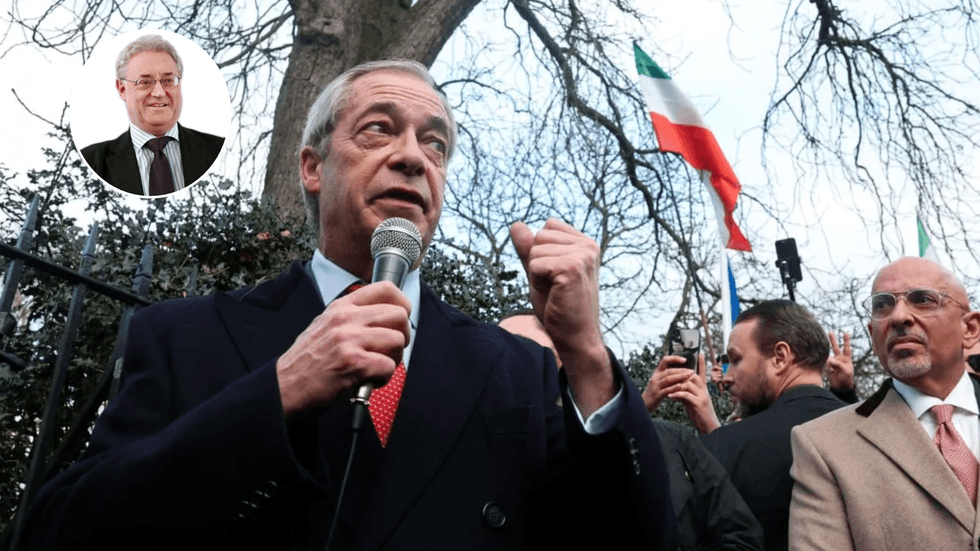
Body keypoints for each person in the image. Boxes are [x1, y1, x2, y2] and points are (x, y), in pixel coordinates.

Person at [25, 60, 675, 550]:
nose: (413, 157)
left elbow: (638, 537)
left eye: (436, 143)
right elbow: (61, 529)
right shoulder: (183, 337)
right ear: (312, 166)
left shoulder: (519, 372)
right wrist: (276, 395)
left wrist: (587, 355)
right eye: (379, 129)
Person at [501, 314, 764, 551]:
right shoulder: (487, 458)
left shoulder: (671, 439)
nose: (511, 366)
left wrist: (636, 412)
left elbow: (740, 536)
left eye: (526, 351)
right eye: (499, 355)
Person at [789, 257, 980, 550]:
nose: (898, 316)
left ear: (970, 329)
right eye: (883, 305)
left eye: (923, 300)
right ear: (872, 334)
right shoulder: (823, 445)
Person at [697, 300, 846, 551]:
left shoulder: (723, 447)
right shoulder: (874, 431)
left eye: (735, 359)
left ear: (780, 357)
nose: (729, 376)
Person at [80, 34, 224, 196]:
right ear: (122, 89)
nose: (159, 92)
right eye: (145, 82)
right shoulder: (91, 163)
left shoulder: (219, 151)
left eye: (168, 80)